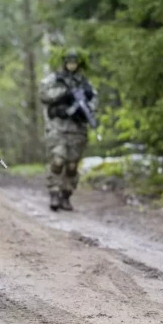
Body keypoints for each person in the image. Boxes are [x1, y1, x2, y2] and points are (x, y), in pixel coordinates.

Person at [39, 49, 97, 211]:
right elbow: (44, 94)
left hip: (77, 129)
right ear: (65, 63)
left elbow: (94, 102)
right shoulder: (55, 79)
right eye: (69, 62)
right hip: (58, 127)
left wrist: (85, 107)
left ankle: (66, 194)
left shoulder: (84, 82)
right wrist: (64, 94)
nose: (72, 65)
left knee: (72, 166)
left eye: (74, 62)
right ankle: (54, 192)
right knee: (58, 161)